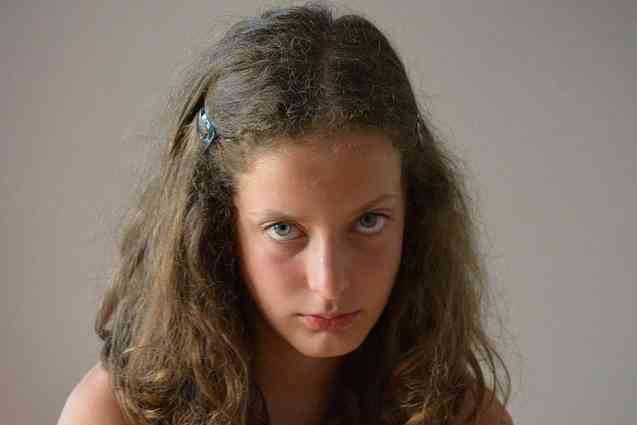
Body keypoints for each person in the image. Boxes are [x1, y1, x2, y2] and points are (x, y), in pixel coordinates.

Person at [57, 3, 512, 425]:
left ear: (416, 213)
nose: (329, 284)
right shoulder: (114, 416)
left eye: (368, 222)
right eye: (283, 229)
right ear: (216, 225)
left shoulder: (466, 417)